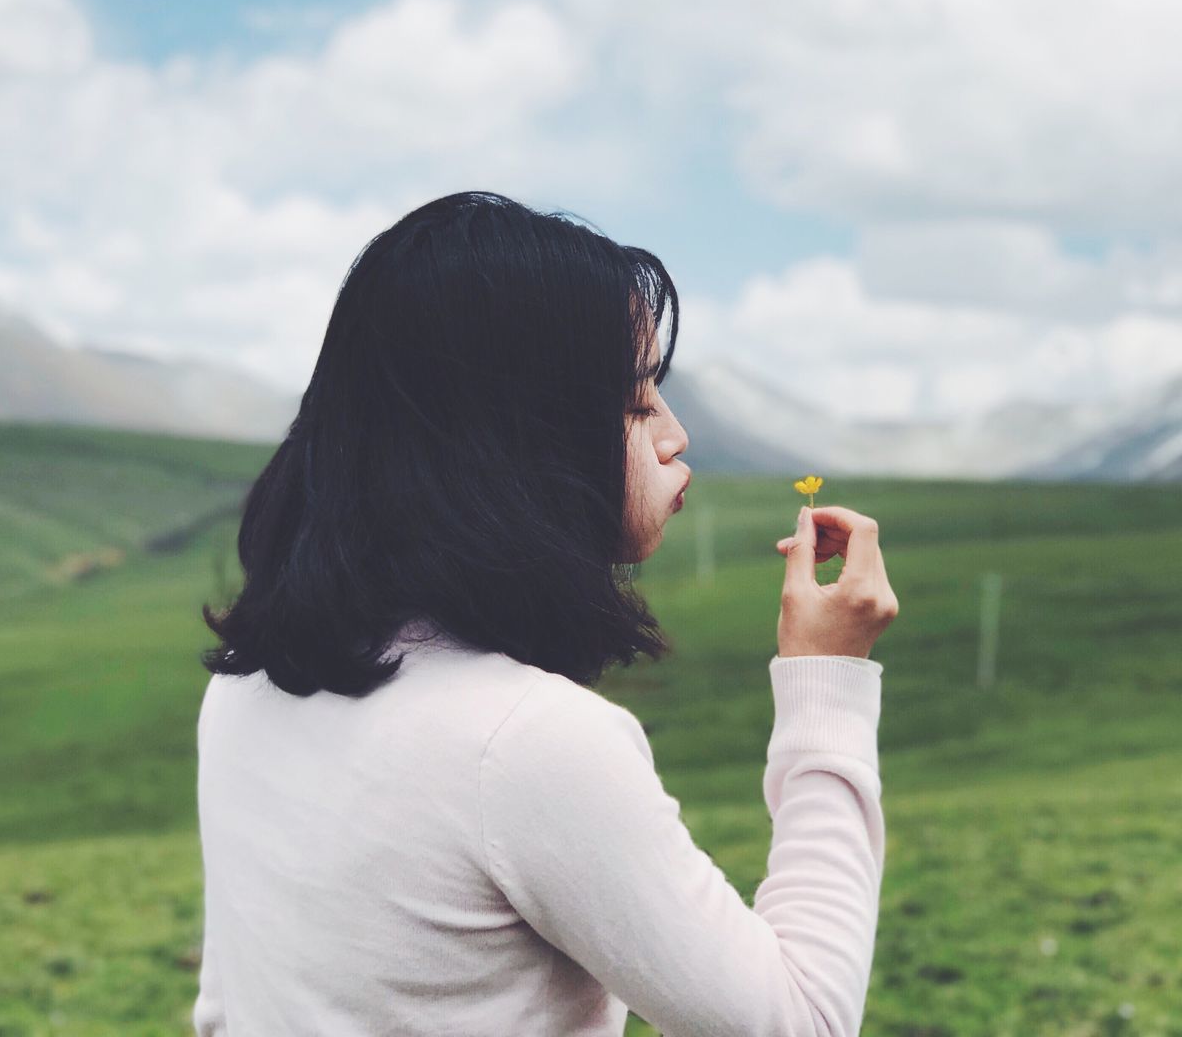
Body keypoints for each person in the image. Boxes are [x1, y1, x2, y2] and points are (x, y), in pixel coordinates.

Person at [192, 190, 900, 1036]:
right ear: (522, 440)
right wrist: (829, 682)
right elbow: (803, 1023)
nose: (675, 435)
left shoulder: (250, 685)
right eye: (638, 403)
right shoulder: (525, 743)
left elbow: (230, 1008)